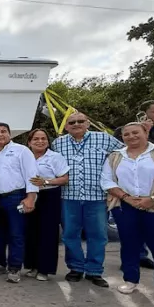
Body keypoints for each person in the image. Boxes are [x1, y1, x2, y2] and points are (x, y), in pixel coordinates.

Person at [102, 122, 154, 302]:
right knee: (130, 244)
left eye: (135, 133)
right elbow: (107, 182)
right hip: (126, 207)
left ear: (146, 132)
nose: (131, 137)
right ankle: (130, 280)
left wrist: (152, 199)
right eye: (126, 134)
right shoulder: (116, 157)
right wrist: (127, 198)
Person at [52, 112, 124, 287]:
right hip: (69, 196)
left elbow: (125, 155)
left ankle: (94, 271)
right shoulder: (58, 143)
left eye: (80, 121)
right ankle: (75, 268)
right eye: (72, 122)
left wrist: (115, 183)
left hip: (97, 197)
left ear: (88, 123)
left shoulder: (105, 139)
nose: (76, 124)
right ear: (66, 126)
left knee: (98, 235)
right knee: (70, 235)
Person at [113, 99, 154, 268]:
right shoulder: (126, 130)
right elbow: (118, 151)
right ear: (144, 113)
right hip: (129, 190)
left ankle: (146, 256)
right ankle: (133, 259)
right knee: (129, 231)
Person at [0, 122, 39, 283]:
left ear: (9, 134)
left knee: (16, 234)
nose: (0, 134)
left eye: (3, 131)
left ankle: (15, 267)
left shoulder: (21, 151)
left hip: (15, 197)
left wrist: (31, 197)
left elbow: (32, 175)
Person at [23, 129, 69, 282]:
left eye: (43, 139)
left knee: (48, 232)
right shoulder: (25, 156)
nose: (40, 141)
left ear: (48, 142)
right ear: (29, 142)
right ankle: (32, 266)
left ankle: (45, 269)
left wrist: (46, 182)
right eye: (36, 139)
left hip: (49, 196)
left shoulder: (55, 157)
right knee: (31, 231)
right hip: (29, 195)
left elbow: (64, 179)